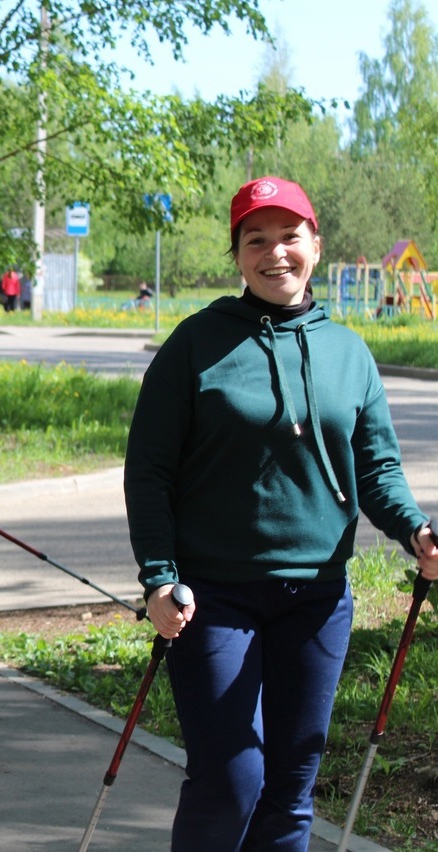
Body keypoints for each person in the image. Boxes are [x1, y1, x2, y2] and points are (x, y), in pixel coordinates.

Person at [123, 176, 438, 852]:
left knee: (292, 791)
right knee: (232, 780)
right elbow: (149, 472)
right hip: (212, 599)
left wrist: (416, 529)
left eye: (289, 237)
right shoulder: (193, 346)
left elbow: (377, 470)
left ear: (315, 247)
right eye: (255, 240)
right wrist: (157, 576)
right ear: (236, 255)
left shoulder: (349, 353)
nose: (275, 254)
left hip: (317, 600)